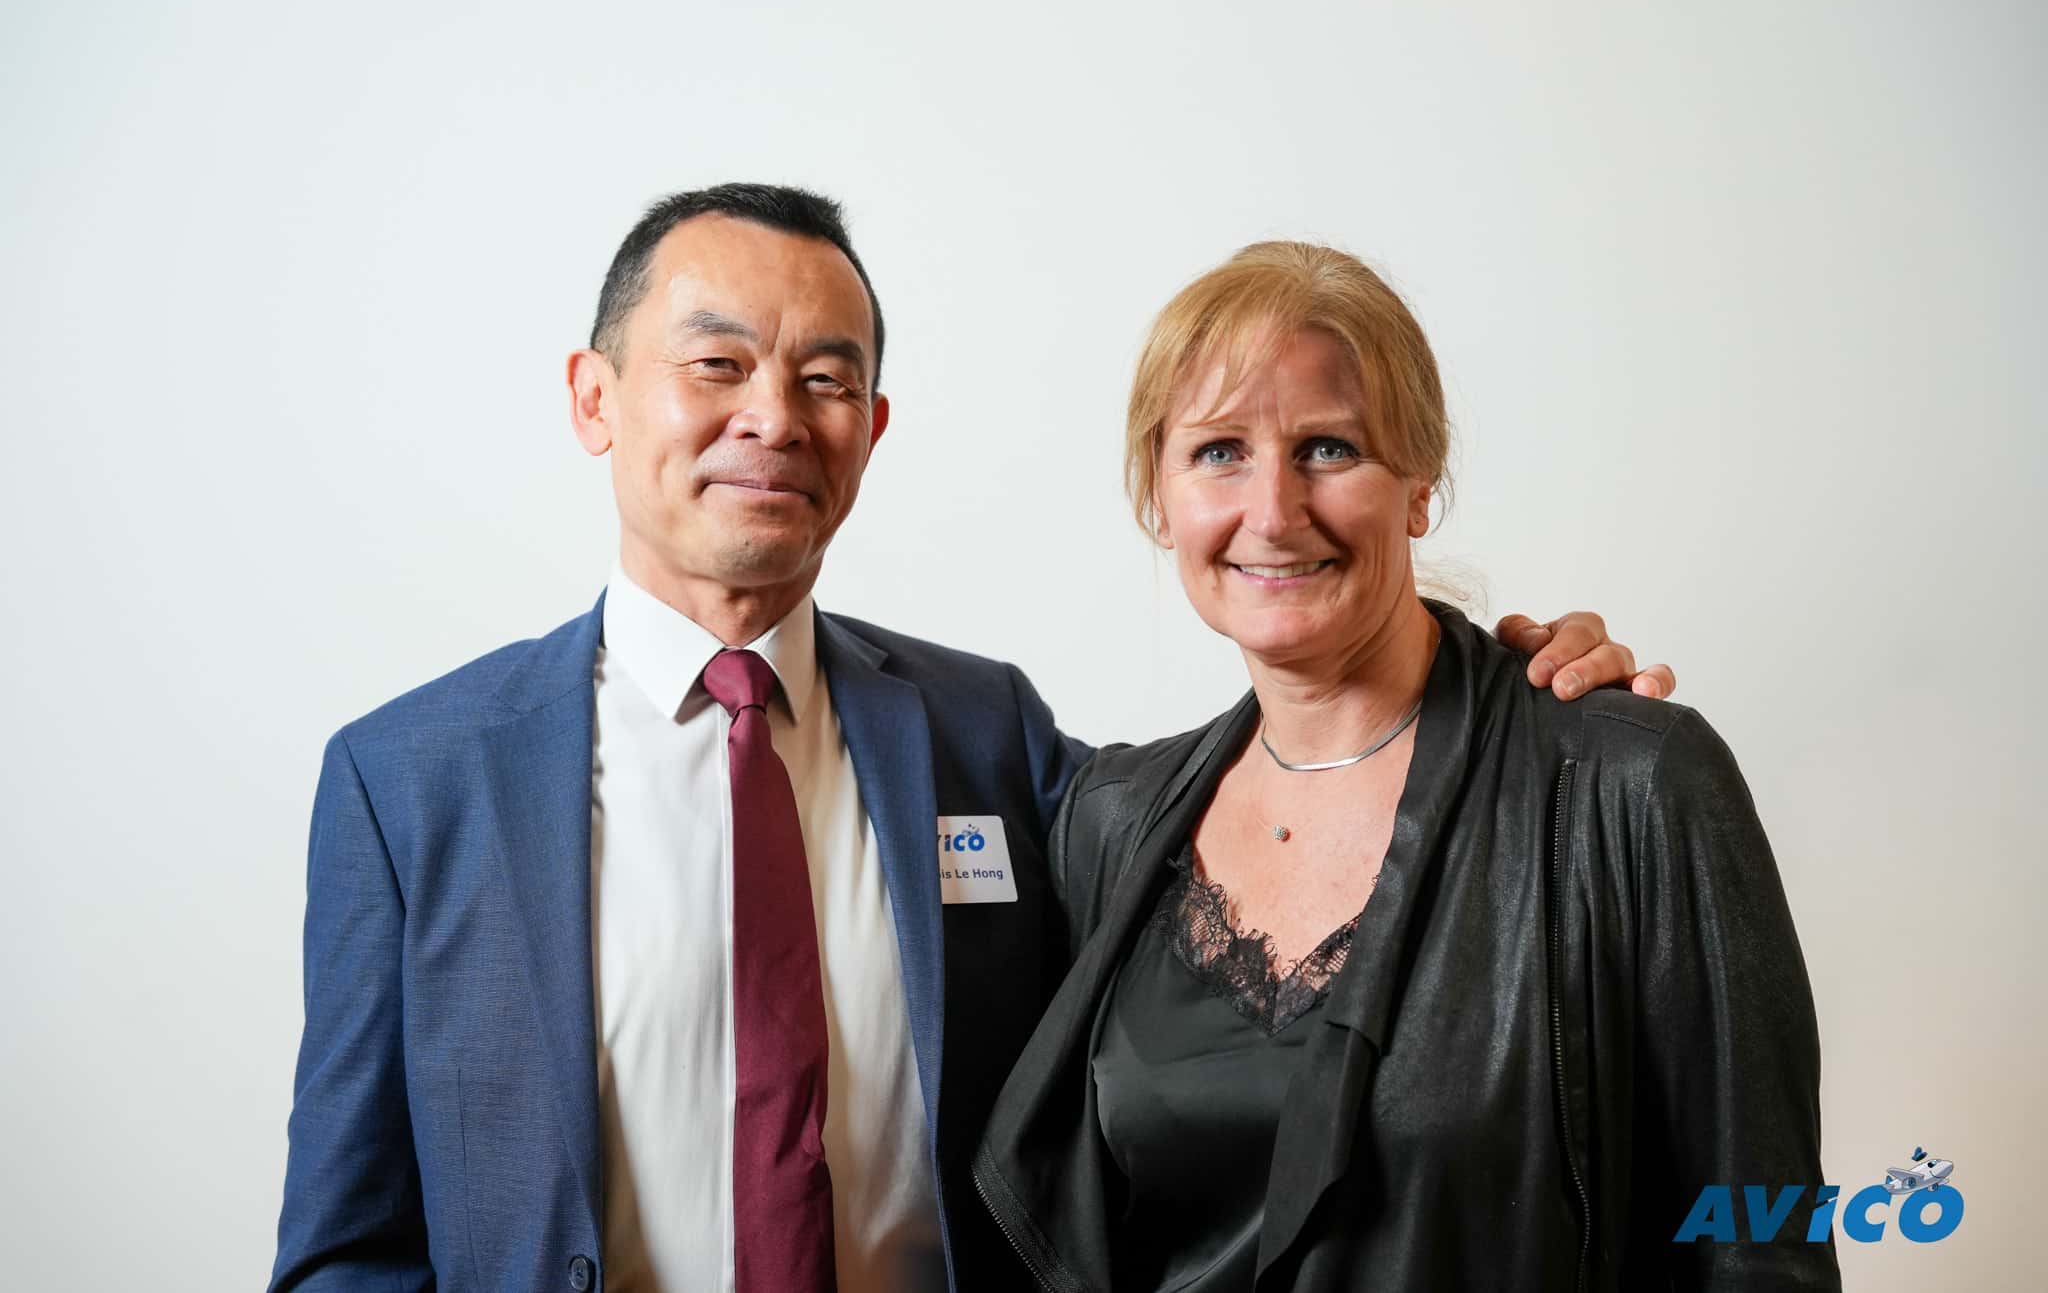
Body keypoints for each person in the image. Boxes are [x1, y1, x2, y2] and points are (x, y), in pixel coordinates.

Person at [268, 185, 1666, 1293]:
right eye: (717, 364)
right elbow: (348, 1245)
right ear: (594, 397)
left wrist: (1494, 684)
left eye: (827, 379)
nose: (773, 417)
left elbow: (1267, 831)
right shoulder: (412, 783)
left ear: (871, 430)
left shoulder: (983, 735)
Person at [974, 242, 1834, 1291]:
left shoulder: (1629, 787)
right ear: (1159, 498)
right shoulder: (1108, 821)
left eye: (1328, 448)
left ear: (1419, 486)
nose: (1273, 512)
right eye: (1218, 451)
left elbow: (1762, 1232)